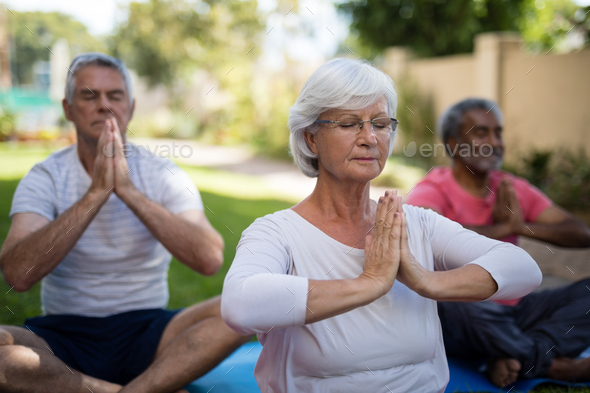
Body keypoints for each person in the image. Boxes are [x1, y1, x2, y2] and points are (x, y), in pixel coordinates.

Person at [220, 58, 542, 393]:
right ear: (311, 138)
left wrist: (426, 280)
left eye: (381, 123)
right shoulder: (277, 232)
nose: (370, 138)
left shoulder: (414, 222)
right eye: (349, 124)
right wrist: (369, 283)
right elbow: (240, 304)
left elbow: (524, 269)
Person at [0, 53, 248, 393]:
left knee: (245, 308)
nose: (104, 105)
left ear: (129, 106)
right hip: (63, 336)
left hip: (150, 332)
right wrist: (96, 194)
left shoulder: (163, 173)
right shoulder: (45, 176)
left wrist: (128, 191)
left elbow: (209, 258)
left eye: (114, 96)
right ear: (68, 108)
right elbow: (17, 273)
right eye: (89, 95)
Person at [406, 97, 590, 387]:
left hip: (517, 311)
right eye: (481, 133)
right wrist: (498, 228)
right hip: (461, 318)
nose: (495, 142)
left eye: (498, 132)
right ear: (453, 144)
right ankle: (552, 365)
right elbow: (422, 233)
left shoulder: (511, 187)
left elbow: (581, 233)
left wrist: (519, 226)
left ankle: (512, 353)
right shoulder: (432, 189)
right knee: (450, 298)